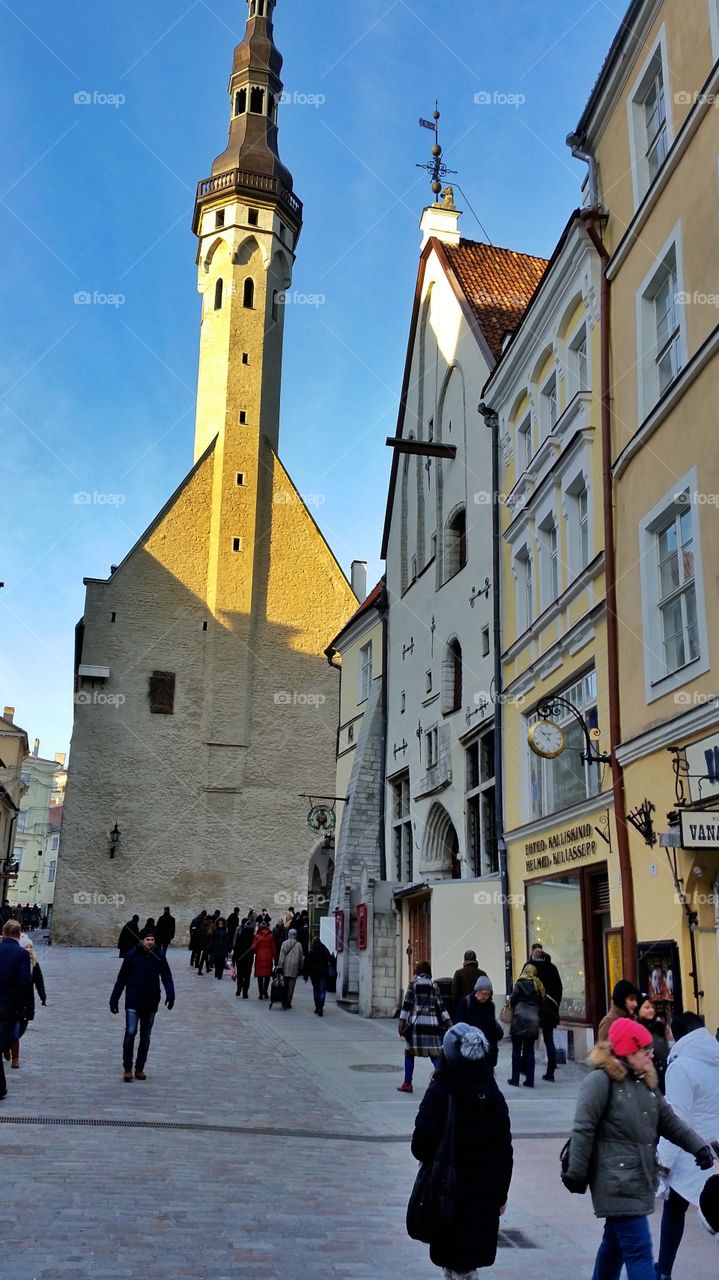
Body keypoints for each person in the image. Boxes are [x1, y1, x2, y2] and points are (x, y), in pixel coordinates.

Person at [563, 1017, 714, 1279]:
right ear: (627, 1050)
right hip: (616, 1180)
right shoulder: (600, 1082)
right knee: (640, 1250)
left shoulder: (644, 1084)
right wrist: (576, 1173)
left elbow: (671, 1123)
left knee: (614, 1246)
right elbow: (583, 1128)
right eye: (644, 1049)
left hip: (637, 1178)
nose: (650, 1053)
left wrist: (699, 1148)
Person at [410, 1022, 513, 1275]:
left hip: (448, 1193)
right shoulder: (494, 1094)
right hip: (484, 1197)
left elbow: (420, 1145)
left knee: (454, 1261)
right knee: (468, 1264)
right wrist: (501, 1194)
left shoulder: (441, 1090)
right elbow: (505, 1151)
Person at [655, 1011, 719, 1279]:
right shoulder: (715, 1056)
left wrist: (662, 1163)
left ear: (676, 1034)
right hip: (717, 1148)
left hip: (692, 1151)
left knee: (675, 1206)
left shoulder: (681, 1067)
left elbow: (675, 1118)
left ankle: (663, 1270)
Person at [109, 927, 175, 1081]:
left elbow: (167, 976)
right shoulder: (132, 955)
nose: (150, 942)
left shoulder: (159, 955)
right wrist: (114, 998)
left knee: (145, 1037)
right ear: (141, 940)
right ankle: (127, 1068)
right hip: (133, 1000)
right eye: (147, 939)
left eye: (152, 940)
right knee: (130, 1033)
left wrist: (170, 994)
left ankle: (139, 1068)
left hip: (151, 1001)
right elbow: (122, 979)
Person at [397, 961, 451, 1094]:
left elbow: (407, 1005)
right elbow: (441, 1006)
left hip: (416, 1025)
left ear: (418, 971)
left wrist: (401, 1022)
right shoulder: (434, 986)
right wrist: (449, 1022)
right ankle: (443, 1082)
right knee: (435, 1055)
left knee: (409, 1054)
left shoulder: (413, 985)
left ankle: (407, 1084)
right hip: (432, 1025)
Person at [0, 920, 33, 1099]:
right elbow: (23, 984)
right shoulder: (21, 954)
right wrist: (23, 1010)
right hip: (8, 1006)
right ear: (19, 935)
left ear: (4, 933)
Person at [506, 962, 544, 1088]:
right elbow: (542, 1001)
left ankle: (515, 1078)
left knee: (516, 1050)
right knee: (529, 1051)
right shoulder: (538, 984)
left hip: (519, 1018)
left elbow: (512, 999)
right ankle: (530, 1080)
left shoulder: (520, 983)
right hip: (533, 1019)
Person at [529, 943, 563, 1082]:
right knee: (549, 1040)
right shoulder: (552, 968)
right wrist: (555, 1005)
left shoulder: (531, 968)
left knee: (529, 1041)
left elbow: (524, 986)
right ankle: (550, 1072)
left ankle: (526, 1070)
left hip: (533, 1009)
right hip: (549, 1009)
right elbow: (559, 988)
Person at [454, 975, 503, 1067]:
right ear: (477, 991)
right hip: (470, 1048)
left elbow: (491, 1026)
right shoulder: (465, 1002)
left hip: (486, 1049)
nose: (485, 997)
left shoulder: (490, 1006)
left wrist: (494, 1051)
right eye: (483, 994)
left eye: (488, 994)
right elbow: (458, 1025)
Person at [637, 994, 669, 1093]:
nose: (651, 1010)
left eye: (652, 1007)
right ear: (638, 1010)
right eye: (646, 1007)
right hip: (646, 1075)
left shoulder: (659, 1027)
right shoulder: (635, 1029)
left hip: (663, 1073)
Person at [304, 935, 332, 1016]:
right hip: (323, 972)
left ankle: (317, 1006)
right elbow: (330, 958)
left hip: (314, 974)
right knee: (322, 990)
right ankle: (321, 1007)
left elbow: (307, 964)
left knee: (316, 989)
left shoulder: (311, 951)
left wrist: (306, 975)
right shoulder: (324, 949)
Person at [277, 928, 304, 1009]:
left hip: (285, 967)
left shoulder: (284, 943)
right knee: (291, 986)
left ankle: (283, 1000)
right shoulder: (299, 945)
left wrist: (280, 966)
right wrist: (301, 968)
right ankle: (288, 1002)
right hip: (294, 968)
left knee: (284, 984)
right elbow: (301, 958)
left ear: (288, 934)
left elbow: (281, 956)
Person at [252, 919, 276, 999]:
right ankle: (265, 992)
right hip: (268, 957)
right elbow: (273, 948)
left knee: (260, 976)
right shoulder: (270, 936)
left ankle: (260, 993)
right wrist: (275, 958)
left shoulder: (257, 936)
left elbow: (254, 948)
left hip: (259, 957)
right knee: (267, 976)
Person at [232, 917, 256, 998]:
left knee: (240, 975)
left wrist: (234, 959)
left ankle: (239, 989)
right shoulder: (252, 938)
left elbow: (236, 948)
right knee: (247, 976)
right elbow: (254, 949)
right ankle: (245, 992)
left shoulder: (240, 936)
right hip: (249, 959)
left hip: (240, 959)